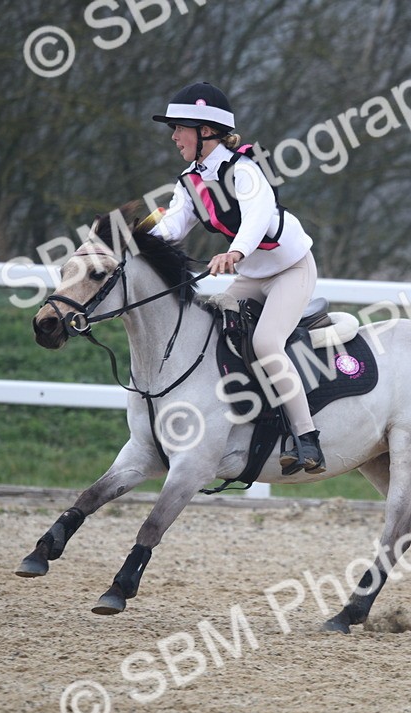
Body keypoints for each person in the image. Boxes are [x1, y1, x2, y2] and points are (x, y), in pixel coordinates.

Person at [150, 82, 325, 475]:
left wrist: (235, 252)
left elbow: (257, 217)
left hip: (290, 271)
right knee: (215, 331)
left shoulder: (244, 170)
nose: (174, 136)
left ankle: (307, 437)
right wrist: (132, 244)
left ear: (206, 131)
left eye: (180, 128)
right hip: (252, 276)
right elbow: (173, 227)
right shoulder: (190, 181)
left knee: (265, 342)